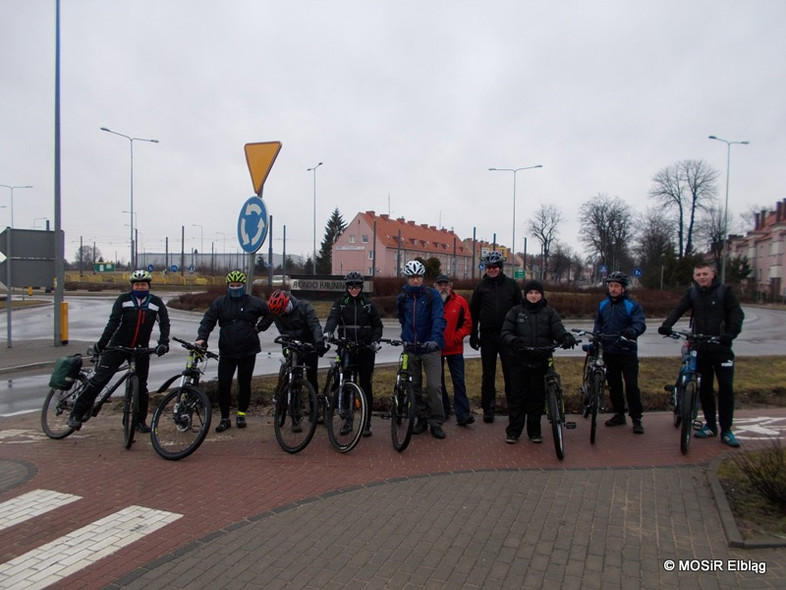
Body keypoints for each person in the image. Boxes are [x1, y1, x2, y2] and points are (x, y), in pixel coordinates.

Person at [67, 269, 170, 432]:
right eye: (137, 284)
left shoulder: (155, 303)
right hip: (118, 346)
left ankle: (138, 421)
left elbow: (164, 323)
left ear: (148, 286)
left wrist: (163, 342)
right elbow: (113, 323)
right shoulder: (124, 300)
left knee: (142, 386)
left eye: (143, 284)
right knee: (100, 380)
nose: (140, 287)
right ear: (132, 286)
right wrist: (102, 344)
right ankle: (76, 414)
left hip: (140, 349)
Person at [658, 262, 745, 447]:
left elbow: (737, 314)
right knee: (704, 388)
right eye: (698, 274)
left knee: (726, 388)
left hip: (721, 347)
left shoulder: (725, 291)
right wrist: (667, 324)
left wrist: (730, 334)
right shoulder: (693, 293)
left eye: (705, 274)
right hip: (701, 346)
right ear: (694, 276)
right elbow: (679, 309)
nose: (701, 277)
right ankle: (711, 426)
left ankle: (726, 429)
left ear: (712, 274)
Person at [500, 279, 575, 443]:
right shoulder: (515, 312)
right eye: (530, 293)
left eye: (537, 293)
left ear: (541, 295)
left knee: (537, 398)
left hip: (541, 360)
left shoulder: (549, 312)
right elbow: (505, 332)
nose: (533, 296)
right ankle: (513, 431)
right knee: (517, 398)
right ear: (525, 294)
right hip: (519, 360)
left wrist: (565, 337)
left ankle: (534, 431)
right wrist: (513, 341)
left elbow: (558, 330)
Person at [195, 270, 268, 433]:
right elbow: (208, 321)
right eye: (232, 286)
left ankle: (241, 414)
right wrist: (202, 338)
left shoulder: (254, 302)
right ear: (228, 286)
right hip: (227, 350)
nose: (235, 288)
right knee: (224, 385)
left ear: (244, 286)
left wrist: (260, 328)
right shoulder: (220, 303)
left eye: (238, 285)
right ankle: (224, 418)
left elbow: (270, 313)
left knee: (244, 383)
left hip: (248, 350)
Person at [323, 271, 384, 437]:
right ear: (347, 286)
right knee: (347, 386)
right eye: (351, 285)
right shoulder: (340, 303)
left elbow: (378, 326)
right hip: (347, 350)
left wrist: (375, 341)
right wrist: (328, 332)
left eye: (357, 285)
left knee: (365, 387)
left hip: (365, 351)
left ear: (361, 287)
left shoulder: (368, 304)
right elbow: (332, 319)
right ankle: (348, 421)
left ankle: (366, 423)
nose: (354, 289)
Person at [469, 251, 523, 423]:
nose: (492, 270)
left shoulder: (512, 285)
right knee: (488, 373)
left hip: (508, 336)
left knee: (511, 372)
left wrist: (519, 333)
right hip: (488, 335)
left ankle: (513, 408)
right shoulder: (481, 287)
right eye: (489, 267)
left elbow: (520, 310)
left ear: (500, 268)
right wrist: (473, 334)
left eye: (495, 267)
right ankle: (488, 408)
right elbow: (474, 312)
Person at [396, 260, 447, 439]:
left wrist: (434, 340)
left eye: (418, 277)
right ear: (407, 278)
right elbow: (402, 319)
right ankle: (421, 419)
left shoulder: (432, 295)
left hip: (430, 347)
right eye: (412, 277)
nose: (415, 280)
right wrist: (406, 337)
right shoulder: (403, 297)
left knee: (434, 386)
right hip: (411, 347)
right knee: (414, 387)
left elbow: (438, 319)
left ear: (423, 278)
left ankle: (436, 422)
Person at [594, 271, 647, 434]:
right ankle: (619, 414)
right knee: (614, 385)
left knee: (631, 385)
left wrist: (633, 331)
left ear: (623, 288)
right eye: (611, 286)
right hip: (610, 351)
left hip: (627, 351)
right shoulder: (603, 304)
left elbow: (640, 323)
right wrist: (596, 336)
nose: (613, 289)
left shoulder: (632, 305)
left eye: (617, 286)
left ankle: (636, 418)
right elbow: (598, 323)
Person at [258, 289, 328, 395]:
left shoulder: (304, 307)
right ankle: (287, 399)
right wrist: (286, 346)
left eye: (282, 312)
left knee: (312, 378)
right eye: (278, 314)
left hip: (309, 345)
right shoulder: (276, 313)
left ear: (287, 304)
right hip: (293, 345)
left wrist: (319, 342)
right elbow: (283, 333)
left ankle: (314, 406)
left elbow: (315, 325)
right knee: (292, 374)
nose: (281, 315)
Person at [434, 274, 475, 426]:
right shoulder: (432, 301)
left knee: (458, 381)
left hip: (455, 349)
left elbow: (468, 324)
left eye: (446, 284)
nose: (443, 287)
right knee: (438, 382)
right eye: (440, 284)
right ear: (435, 286)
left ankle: (463, 413)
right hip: (436, 349)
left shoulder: (460, 302)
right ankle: (443, 410)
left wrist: (455, 338)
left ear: (450, 286)